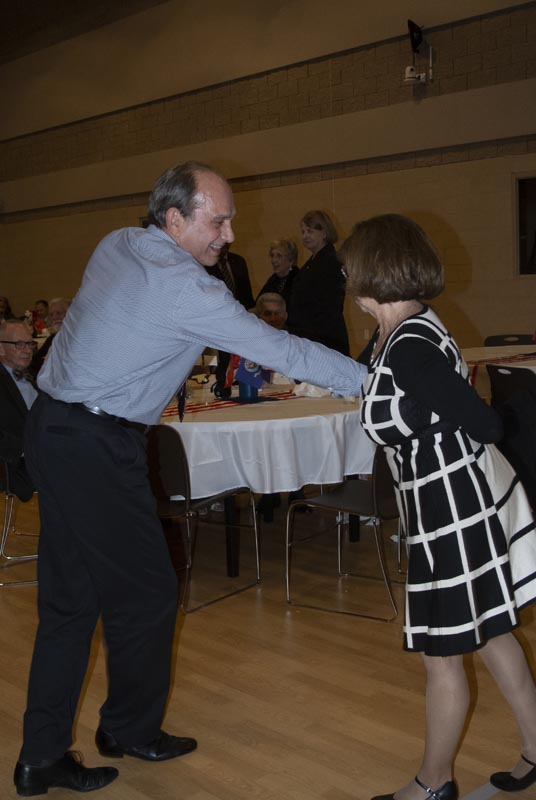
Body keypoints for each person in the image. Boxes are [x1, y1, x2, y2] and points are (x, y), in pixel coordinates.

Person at [15, 161, 367, 796]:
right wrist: (376, 382)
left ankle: (41, 757)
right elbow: (282, 350)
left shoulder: (119, 241)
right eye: (219, 221)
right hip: (96, 446)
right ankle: (128, 729)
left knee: (71, 601)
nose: (230, 235)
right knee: (148, 592)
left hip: (51, 428)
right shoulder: (188, 289)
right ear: (174, 219)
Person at [340, 213, 536, 800]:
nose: (346, 277)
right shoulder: (401, 328)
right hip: (448, 505)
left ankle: (434, 783)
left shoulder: (408, 347)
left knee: (442, 656)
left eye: (350, 268)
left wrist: (425, 414)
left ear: (372, 273)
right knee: (493, 632)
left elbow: (486, 422)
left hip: (450, 513)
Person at [287, 210, 350, 355]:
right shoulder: (312, 262)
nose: (305, 236)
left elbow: (329, 305)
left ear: (324, 233)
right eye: (303, 232)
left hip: (323, 338)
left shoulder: (331, 261)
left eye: (310, 231)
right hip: (311, 335)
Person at [205, 242, 255, 395]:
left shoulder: (238, 261)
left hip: (241, 319)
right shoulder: (205, 262)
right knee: (224, 360)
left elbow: (247, 295)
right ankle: (223, 386)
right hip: (217, 321)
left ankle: (244, 383)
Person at [0, 321, 38, 502]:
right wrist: (27, 449)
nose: (28, 350)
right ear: (1, 349)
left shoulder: (31, 375)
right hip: (16, 465)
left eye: (30, 343)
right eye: (19, 344)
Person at [29, 297, 71, 378]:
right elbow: (35, 361)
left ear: (70, 314)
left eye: (59, 313)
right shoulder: (53, 338)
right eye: (51, 314)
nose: (54, 317)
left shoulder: (77, 338)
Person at [256, 239, 299, 306]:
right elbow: (259, 303)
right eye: (272, 255)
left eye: (279, 256)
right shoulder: (272, 280)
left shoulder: (299, 280)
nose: (274, 260)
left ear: (291, 260)